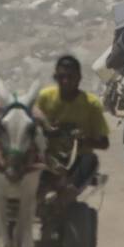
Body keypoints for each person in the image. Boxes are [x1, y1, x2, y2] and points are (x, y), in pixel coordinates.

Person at [31, 55, 111, 197]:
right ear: (56, 77)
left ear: (79, 78)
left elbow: (104, 143)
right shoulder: (45, 97)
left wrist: (83, 139)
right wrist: (46, 126)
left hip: (76, 160)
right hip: (47, 157)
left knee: (90, 159)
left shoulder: (90, 104)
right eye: (62, 77)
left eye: (70, 77)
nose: (66, 81)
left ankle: (67, 195)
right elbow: (32, 122)